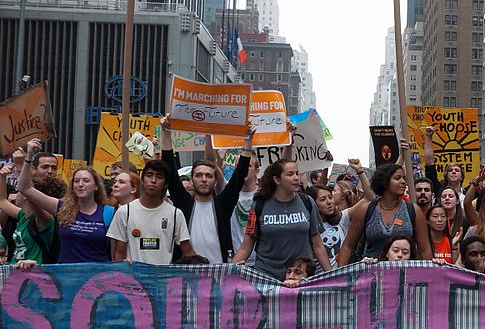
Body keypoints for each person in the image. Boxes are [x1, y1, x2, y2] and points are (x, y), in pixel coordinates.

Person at [161, 119, 255, 264]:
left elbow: (239, 175)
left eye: (209, 176)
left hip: (219, 272)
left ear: (216, 181)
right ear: (192, 180)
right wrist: (166, 132)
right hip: (187, 272)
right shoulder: (183, 203)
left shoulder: (223, 205)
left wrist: (248, 139)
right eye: (198, 175)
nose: (204, 179)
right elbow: (170, 171)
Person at [232, 160, 331, 279]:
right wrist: (228, 272)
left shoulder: (307, 202)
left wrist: (331, 275)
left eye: (297, 173)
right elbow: (246, 246)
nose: (296, 178)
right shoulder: (259, 205)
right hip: (267, 278)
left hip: (300, 278)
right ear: (277, 180)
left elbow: (318, 244)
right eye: (290, 174)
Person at [16, 140, 111, 264]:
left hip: (97, 274)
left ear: (97, 186)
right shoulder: (61, 207)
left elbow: (117, 252)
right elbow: (24, 188)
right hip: (66, 274)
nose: (80, 184)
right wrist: (28, 157)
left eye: (86, 180)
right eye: (76, 181)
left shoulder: (109, 213)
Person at [338, 157, 432, 266]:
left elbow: (424, 249)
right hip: (371, 273)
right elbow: (348, 246)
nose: (403, 182)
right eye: (397, 178)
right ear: (385, 182)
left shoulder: (414, 211)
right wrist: (340, 274)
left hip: (403, 273)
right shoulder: (366, 210)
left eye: (404, 178)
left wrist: (430, 273)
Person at [108, 158, 193, 264]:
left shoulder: (176, 214)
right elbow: (119, 253)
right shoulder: (125, 212)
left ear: (165, 183)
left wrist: (203, 268)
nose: (153, 180)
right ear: (142, 180)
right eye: (149, 175)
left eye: (159, 177)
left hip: (163, 273)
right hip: (133, 274)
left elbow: (187, 251)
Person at [0, 163, 65, 264]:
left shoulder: (43, 220)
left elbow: (27, 189)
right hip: (16, 271)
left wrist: (25, 162)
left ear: (26, 196)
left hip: (34, 272)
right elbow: (2, 201)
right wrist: (2, 176)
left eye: (18, 191)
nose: (16, 194)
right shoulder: (22, 215)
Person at [308, 185, 351, 268]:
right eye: (323, 199)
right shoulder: (308, 228)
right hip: (320, 275)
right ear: (313, 203)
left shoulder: (342, 218)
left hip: (342, 273)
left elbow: (368, 198)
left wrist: (361, 175)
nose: (329, 202)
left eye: (330, 197)